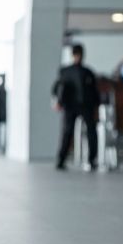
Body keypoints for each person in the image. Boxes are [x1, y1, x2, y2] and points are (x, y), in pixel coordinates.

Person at [52, 43, 100, 171]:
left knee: (90, 132)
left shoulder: (86, 72)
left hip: (84, 106)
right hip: (72, 106)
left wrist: (96, 106)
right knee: (68, 132)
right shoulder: (68, 71)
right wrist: (58, 102)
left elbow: (94, 92)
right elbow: (58, 88)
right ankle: (61, 159)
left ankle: (91, 159)